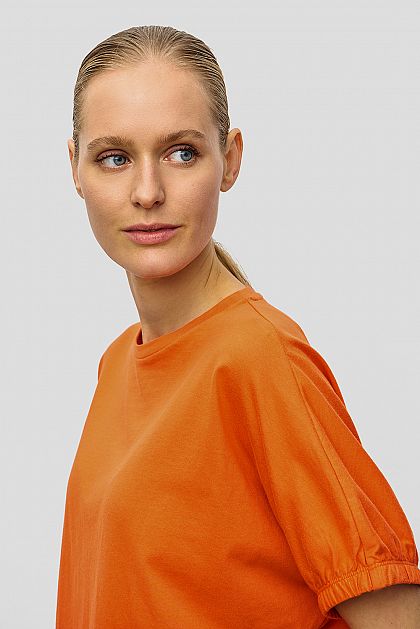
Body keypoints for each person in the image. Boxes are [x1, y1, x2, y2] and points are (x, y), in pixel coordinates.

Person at [56, 25, 420, 628]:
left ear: (230, 159)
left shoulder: (260, 356)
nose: (147, 192)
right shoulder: (119, 361)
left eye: (181, 153)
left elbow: (397, 616)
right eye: (115, 158)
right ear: (75, 168)